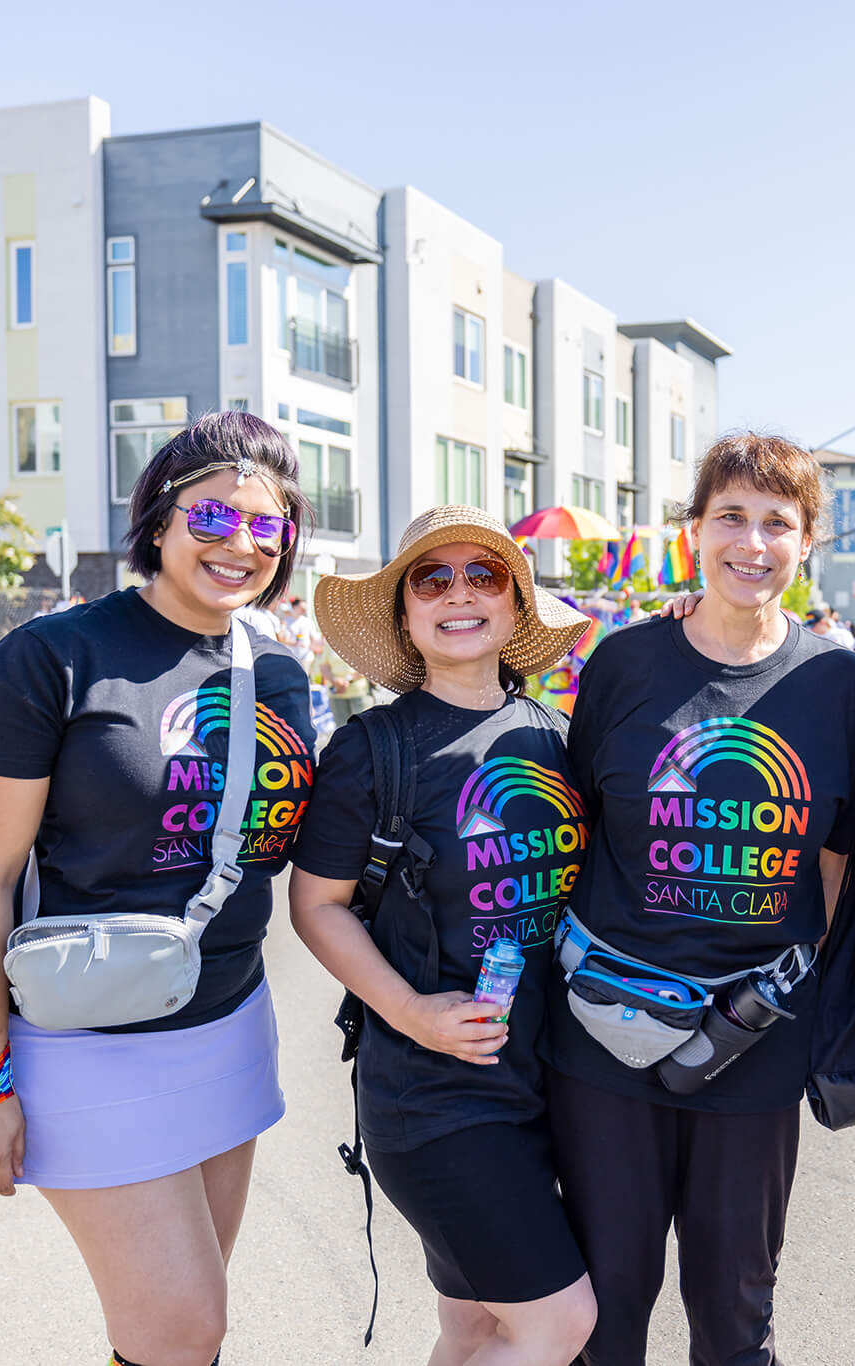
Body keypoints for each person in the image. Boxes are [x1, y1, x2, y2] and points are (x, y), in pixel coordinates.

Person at [0, 411, 316, 1366]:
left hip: (228, 1021)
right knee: (184, 1326)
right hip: (87, 1042)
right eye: (212, 518)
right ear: (158, 521)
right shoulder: (54, 657)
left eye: (264, 525)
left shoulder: (275, 669)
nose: (238, 545)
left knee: (180, 1333)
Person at [544, 432, 855, 1366]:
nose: (752, 541)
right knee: (605, 1311)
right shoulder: (623, 664)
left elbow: (841, 860)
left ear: (806, 540)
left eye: (778, 522)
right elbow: (577, 824)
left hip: (755, 1041)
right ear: (694, 530)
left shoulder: (839, 683)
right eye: (731, 515)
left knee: (735, 1312)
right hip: (606, 1032)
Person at [287, 506, 598, 1363]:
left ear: (517, 605)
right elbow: (316, 907)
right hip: (433, 1100)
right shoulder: (374, 749)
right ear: (405, 613)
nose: (458, 594)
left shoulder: (560, 738)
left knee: (471, 1329)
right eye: (432, 579)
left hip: (549, 1087)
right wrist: (413, 1011)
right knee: (558, 1324)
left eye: (484, 576)